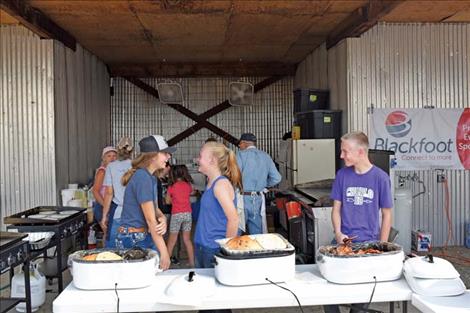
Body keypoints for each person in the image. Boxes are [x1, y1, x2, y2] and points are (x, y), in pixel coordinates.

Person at [324, 131, 393, 313]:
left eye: (345, 151)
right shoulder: (342, 175)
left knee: (362, 294)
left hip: (368, 242)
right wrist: (338, 233)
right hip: (342, 241)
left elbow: (387, 214)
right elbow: (336, 209)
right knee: (326, 288)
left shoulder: (381, 178)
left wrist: (381, 246)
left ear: (361, 152)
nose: (341, 155)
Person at [116, 135, 175, 270]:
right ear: (153, 156)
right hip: (133, 238)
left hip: (140, 235)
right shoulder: (143, 178)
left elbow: (153, 208)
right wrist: (165, 253)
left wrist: (162, 218)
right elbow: (150, 220)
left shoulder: (151, 177)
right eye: (165, 153)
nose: (168, 157)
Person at [194, 141, 241, 268]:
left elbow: (234, 219)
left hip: (214, 248)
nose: (197, 159)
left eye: (200, 156)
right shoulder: (211, 182)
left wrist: (226, 251)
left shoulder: (220, 185)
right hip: (203, 245)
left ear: (212, 160)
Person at [236, 133, 281, 234]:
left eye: (240, 144)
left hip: (242, 198)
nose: (239, 146)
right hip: (258, 199)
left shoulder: (240, 155)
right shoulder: (265, 156)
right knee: (257, 233)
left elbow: (234, 177)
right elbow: (277, 178)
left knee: (236, 230)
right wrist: (264, 185)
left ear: (243, 143)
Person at [100, 137, 133, 248]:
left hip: (118, 212)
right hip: (135, 213)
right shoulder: (137, 166)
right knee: (135, 250)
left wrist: (104, 216)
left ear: (118, 150)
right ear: (132, 151)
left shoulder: (111, 167)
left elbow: (109, 193)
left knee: (114, 249)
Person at [166, 165, 195, 268]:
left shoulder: (172, 186)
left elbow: (167, 201)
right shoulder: (188, 185)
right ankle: (192, 263)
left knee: (171, 241)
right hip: (188, 214)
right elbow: (192, 192)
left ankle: (166, 264)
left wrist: (173, 199)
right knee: (187, 240)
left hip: (176, 214)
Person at [92, 146, 117, 224]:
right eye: (109, 156)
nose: (112, 158)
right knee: (107, 231)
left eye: (114, 156)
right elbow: (95, 191)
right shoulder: (102, 172)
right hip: (102, 206)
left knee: (109, 233)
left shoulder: (114, 171)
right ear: (104, 158)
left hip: (111, 204)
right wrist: (105, 206)